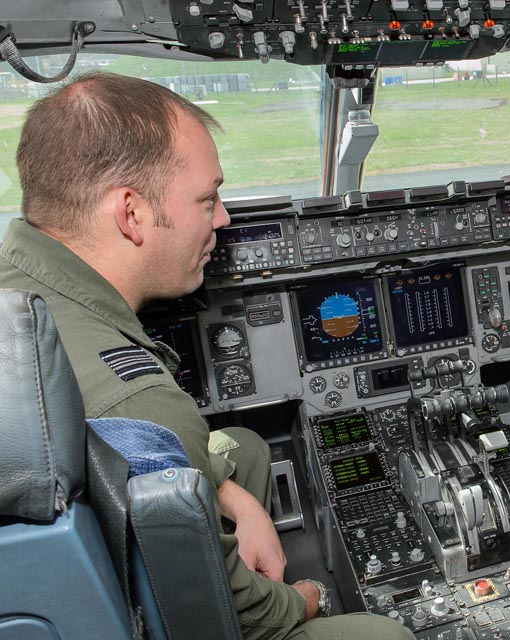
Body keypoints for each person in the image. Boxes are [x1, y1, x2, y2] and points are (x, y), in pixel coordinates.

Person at [0, 72, 413, 640]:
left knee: (240, 451)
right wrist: (307, 598)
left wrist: (237, 501)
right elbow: (233, 611)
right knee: (384, 635)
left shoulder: (18, 279)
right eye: (207, 197)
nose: (222, 218)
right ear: (132, 213)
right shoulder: (138, 399)